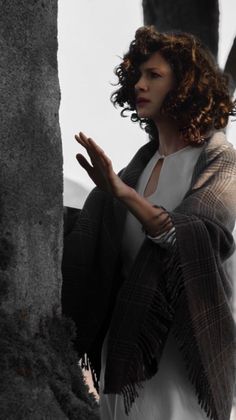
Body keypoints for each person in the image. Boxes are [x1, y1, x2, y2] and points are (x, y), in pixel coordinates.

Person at [62, 26, 236, 420]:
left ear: (184, 86)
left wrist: (120, 193)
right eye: (137, 76)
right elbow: (97, 248)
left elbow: (194, 238)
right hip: (123, 356)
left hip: (185, 358)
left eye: (153, 75)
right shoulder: (135, 170)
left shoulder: (221, 162)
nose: (139, 84)